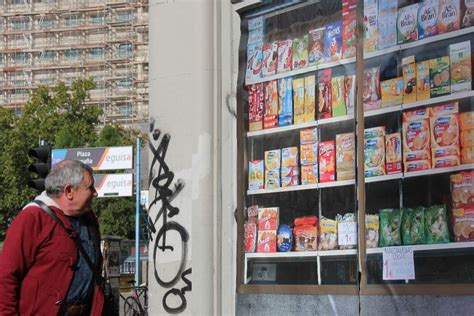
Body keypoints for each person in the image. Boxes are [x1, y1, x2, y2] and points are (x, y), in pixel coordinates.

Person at [0, 159, 105, 315]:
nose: (95, 193)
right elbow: (6, 277)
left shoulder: (89, 219)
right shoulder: (32, 218)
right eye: (90, 187)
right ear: (69, 191)